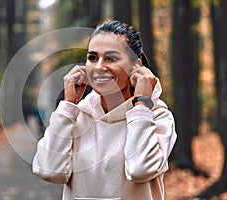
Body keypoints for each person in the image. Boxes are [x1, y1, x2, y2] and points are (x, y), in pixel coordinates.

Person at [32, 19, 177, 200]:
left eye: (111, 58)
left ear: (136, 66)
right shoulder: (76, 117)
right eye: (93, 58)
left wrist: (141, 106)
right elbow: (48, 170)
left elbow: (140, 169)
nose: (99, 67)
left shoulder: (157, 117)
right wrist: (68, 105)